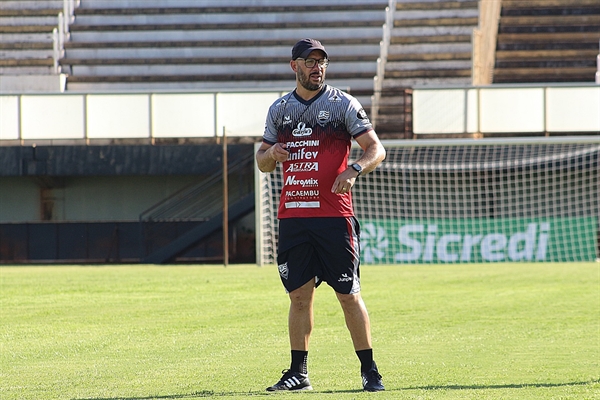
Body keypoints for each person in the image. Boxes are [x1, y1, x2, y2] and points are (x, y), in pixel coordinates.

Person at [255, 38, 387, 392]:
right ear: (294, 66)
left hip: (333, 217)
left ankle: (370, 371)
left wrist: (355, 169)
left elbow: (376, 149)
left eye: (322, 62)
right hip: (294, 217)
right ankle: (299, 373)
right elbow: (262, 160)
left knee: (348, 294)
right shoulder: (279, 109)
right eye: (310, 62)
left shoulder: (342, 104)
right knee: (299, 297)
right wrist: (273, 154)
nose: (318, 68)